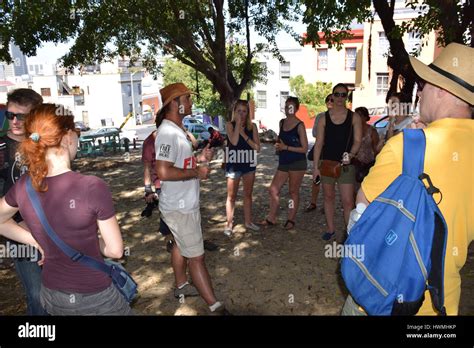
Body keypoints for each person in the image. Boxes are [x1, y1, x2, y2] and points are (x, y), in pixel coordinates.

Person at [342, 42, 473, 315]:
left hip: (381, 298)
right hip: (443, 304)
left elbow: (362, 214)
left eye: (424, 85)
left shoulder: (408, 146)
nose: (420, 92)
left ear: (441, 90)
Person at [0, 103, 132, 315]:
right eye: (77, 132)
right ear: (68, 135)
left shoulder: (24, 185)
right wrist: (87, 241)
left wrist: (38, 241)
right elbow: (115, 250)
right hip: (96, 297)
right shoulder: (92, 186)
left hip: (52, 295)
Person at [155, 82, 228, 315]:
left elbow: (180, 165)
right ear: (175, 104)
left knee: (179, 244)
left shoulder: (177, 130)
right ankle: (214, 306)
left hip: (182, 204)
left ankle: (181, 285)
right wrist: (197, 171)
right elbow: (163, 171)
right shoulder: (167, 133)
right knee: (197, 256)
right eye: (187, 98)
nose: (191, 102)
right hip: (180, 207)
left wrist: (200, 159)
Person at [0, 88, 47, 315]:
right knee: (38, 296)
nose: (15, 121)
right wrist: (22, 227)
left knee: (57, 293)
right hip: (17, 234)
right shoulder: (0, 149)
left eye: (22, 116)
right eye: (10, 115)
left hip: (51, 229)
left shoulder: (44, 146)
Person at [312, 83, 362, 242]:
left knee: (347, 201)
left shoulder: (354, 117)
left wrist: (351, 155)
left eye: (343, 95)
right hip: (327, 163)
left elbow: (357, 140)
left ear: (347, 97)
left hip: (346, 165)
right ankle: (331, 229)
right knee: (328, 197)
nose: (340, 97)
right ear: (332, 96)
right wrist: (315, 168)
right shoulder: (323, 118)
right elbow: (318, 144)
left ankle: (348, 233)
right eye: (337, 94)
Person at [260, 97, 308, 230]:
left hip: (297, 162)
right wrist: (276, 144)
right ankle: (272, 217)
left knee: (293, 192)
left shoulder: (300, 125)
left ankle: (290, 218)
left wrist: (286, 147)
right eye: (287, 106)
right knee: (273, 189)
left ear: (296, 109)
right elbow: (281, 140)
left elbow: (304, 148)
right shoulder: (281, 123)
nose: (288, 109)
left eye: (291, 107)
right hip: (284, 161)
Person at [224, 100, 261, 236]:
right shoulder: (229, 125)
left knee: (248, 194)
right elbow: (233, 141)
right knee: (231, 196)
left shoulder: (253, 127)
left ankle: (248, 222)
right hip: (234, 164)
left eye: (244, 111)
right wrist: (238, 126)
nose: (241, 114)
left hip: (249, 164)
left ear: (248, 112)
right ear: (234, 112)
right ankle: (229, 224)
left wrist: (244, 135)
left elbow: (257, 148)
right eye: (238, 111)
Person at [305, 93, 333, 212]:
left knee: (330, 181)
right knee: (317, 179)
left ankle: (327, 205)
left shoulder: (341, 117)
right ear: (326, 103)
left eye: (333, 100)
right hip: (320, 152)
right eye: (329, 101)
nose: (331, 103)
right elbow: (315, 133)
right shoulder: (320, 116)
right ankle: (313, 202)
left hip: (332, 152)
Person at [352, 106, 380, 183]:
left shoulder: (372, 131)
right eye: (356, 115)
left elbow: (376, 149)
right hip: (355, 162)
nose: (358, 118)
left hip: (369, 164)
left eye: (360, 115)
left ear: (365, 117)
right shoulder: (352, 130)